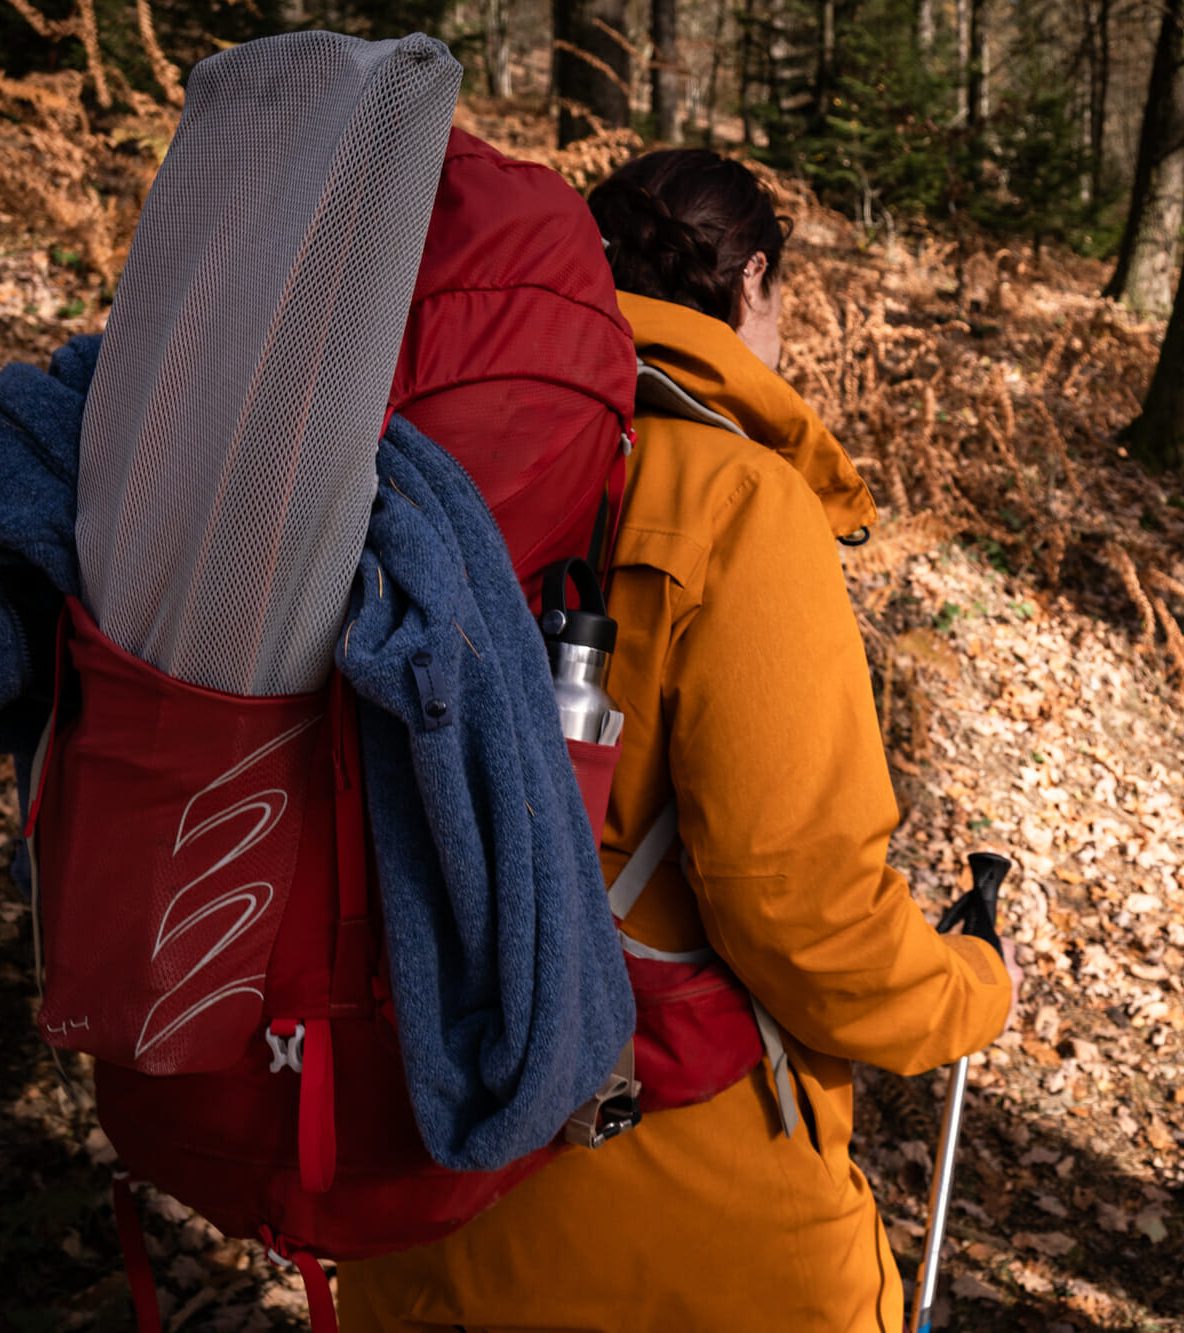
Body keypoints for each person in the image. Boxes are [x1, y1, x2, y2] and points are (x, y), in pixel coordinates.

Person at [337, 148, 1020, 1332]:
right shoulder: (738, 502)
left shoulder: (410, 468)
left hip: (412, 1182)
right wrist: (965, 990)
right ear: (751, 282)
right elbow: (803, 913)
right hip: (677, 1223)